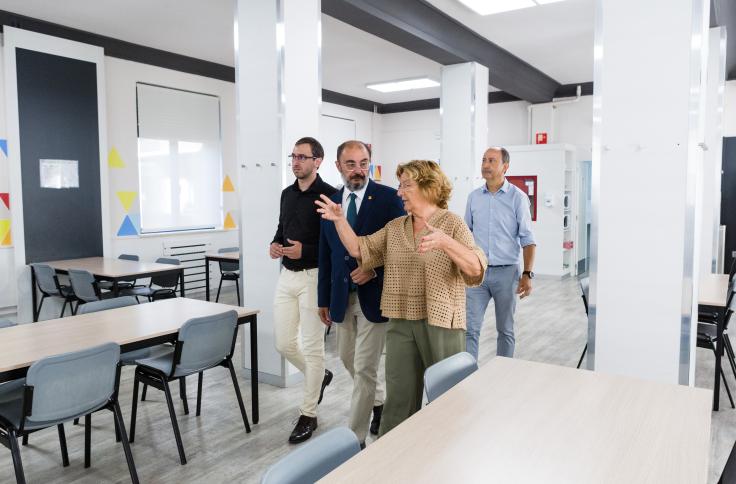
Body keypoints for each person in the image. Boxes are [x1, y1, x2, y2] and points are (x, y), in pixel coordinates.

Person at [316, 159, 486, 436]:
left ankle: (448, 451)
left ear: (428, 187)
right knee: (398, 398)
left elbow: (476, 270)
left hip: (441, 322)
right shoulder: (396, 227)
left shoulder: (452, 224)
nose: (399, 192)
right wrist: (340, 221)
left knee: (447, 395)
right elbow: (361, 248)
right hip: (400, 321)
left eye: (406, 185)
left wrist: (446, 243)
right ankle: (394, 461)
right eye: (400, 185)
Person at [317, 140, 405, 447]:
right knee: (347, 358)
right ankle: (378, 403)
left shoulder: (387, 198)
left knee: (365, 369)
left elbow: (401, 247)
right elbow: (325, 254)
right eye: (351, 164)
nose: (358, 170)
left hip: (375, 296)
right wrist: (323, 299)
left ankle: (354, 441)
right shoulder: (330, 202)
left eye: (364, 162)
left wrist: (373, 269)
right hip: (342, 297)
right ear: (338, 166)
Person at [270, 136, 337, 444]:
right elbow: (282, 228)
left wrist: (305, 252)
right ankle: (319, 376)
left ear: (317, 161)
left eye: (302, 157)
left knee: (312, 348)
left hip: (315, 276)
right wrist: (276, 243)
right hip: (287, 277)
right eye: (293, 156)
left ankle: (308, 414)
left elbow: (334, 245)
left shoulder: (329, 196)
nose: (296, 162)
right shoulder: (286, 194)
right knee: (283, 343)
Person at [464, 147, 536, 360]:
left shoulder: (518, 198)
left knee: (505, 330)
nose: (485, 165)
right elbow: (466, 233)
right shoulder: (474, 197)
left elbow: (528, 239)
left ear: (505, 166)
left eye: (492, 161)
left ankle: (503, 376)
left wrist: (527, 274)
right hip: (477, 273)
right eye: (484, 160)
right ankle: (467, 377)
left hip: (507, 273)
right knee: (469, 329)